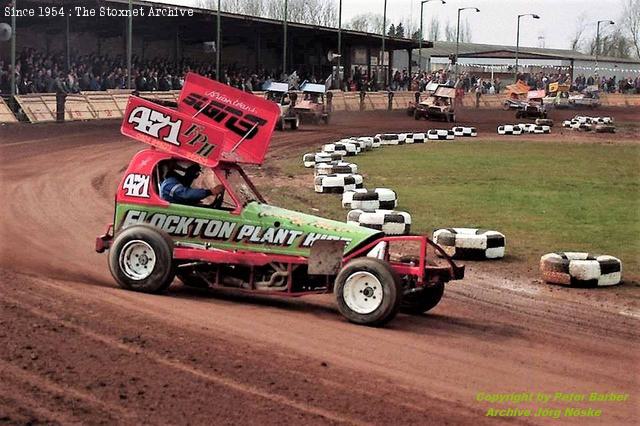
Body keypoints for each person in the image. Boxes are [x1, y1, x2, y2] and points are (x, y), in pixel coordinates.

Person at [160, 160, 224, 207]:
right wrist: (211, 191)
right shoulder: (168, 184)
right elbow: (186, 194)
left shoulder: (176, 183)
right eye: (194, 174)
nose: (195, 177)